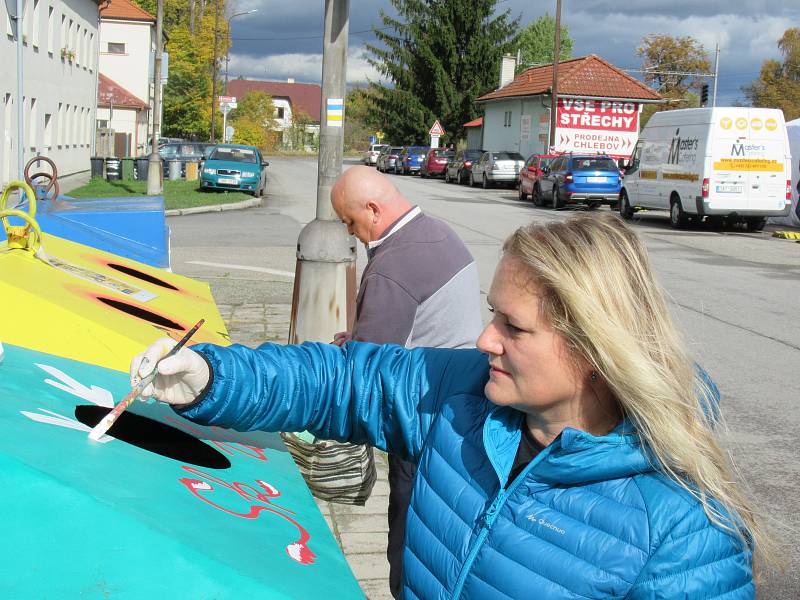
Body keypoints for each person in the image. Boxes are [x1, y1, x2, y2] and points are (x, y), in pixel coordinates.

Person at [133, 214, 770, 599]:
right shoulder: (462, 396)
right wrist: (213, 375)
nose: (485, 339)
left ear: (595, 346)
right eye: (493, 314)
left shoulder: (686, 531)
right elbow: (345, 380)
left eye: (513, 328)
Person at [330, 166, 483, 597]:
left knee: (408, 544)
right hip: (460, 406)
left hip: (421, 418)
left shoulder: (391, 265)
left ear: (373, 210)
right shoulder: (437, 232)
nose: (352, 233)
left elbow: (368, 371)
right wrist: (359, 337)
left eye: (351, 221)